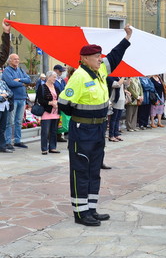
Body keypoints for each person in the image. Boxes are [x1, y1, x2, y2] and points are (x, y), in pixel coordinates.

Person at [58, 24, 132, 227]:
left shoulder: (99, 71)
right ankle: (80, 213)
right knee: (81, 169)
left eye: (100, 56)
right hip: (83, 130)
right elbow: (64, 104)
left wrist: (126, 39)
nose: (101, 59)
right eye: (97, 57)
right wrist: (82, 118)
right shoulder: (79, 77)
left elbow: (115, 57)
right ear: (84, 59)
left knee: (93, 170)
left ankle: (91, 208)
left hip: (99, 128)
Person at [2, 53, 31, 150]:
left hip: (22, 99)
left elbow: (29, 79)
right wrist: (22, 83)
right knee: (10, 122)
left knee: (19, 121)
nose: (17, 61)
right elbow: (10, 83)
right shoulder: (7, 71)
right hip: (13, 100)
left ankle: (17, 141)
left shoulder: (21, 70)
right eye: (15, 59)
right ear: (9, 60)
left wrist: (19, 80)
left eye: (18, 59)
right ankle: (8, 142)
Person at [37, 71, 60, 155]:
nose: (55, 79)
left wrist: (57, 103)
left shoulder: (56, 87)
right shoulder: (42, 87)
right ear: (48, 77)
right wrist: (50, 103)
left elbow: (60, 97)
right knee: (45, 131)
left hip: (56, 112)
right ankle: (44, 148)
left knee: (54, 131)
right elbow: (40, 100)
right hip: (46, 112)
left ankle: (53, 147)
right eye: (54, 77)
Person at [107, 76, 126, 141]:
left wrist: (129, 78)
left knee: (118, 119)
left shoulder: (119, 78)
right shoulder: (111, 78)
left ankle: (116, 134)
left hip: (121, 100)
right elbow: (117, 85)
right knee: (113, 119)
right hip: (115, 100)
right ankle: (111, 135)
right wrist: (123, 77)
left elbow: (127, 84)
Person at [54, 64, 67, 142]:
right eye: (60, 71)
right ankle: (53, 135)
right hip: (55, 101)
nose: (61, 73)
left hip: (62, 101)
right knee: (55, 120)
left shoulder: (62, 80)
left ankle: (59, 135)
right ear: (55, 71)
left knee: (60, 119)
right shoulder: (53, 80)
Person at [0, 79, 13, 153]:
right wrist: (2, 97)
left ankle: (2, 147)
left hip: (5, 107)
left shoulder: (3, 82)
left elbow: (11, 93)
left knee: (2, 128)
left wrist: (5, 95)